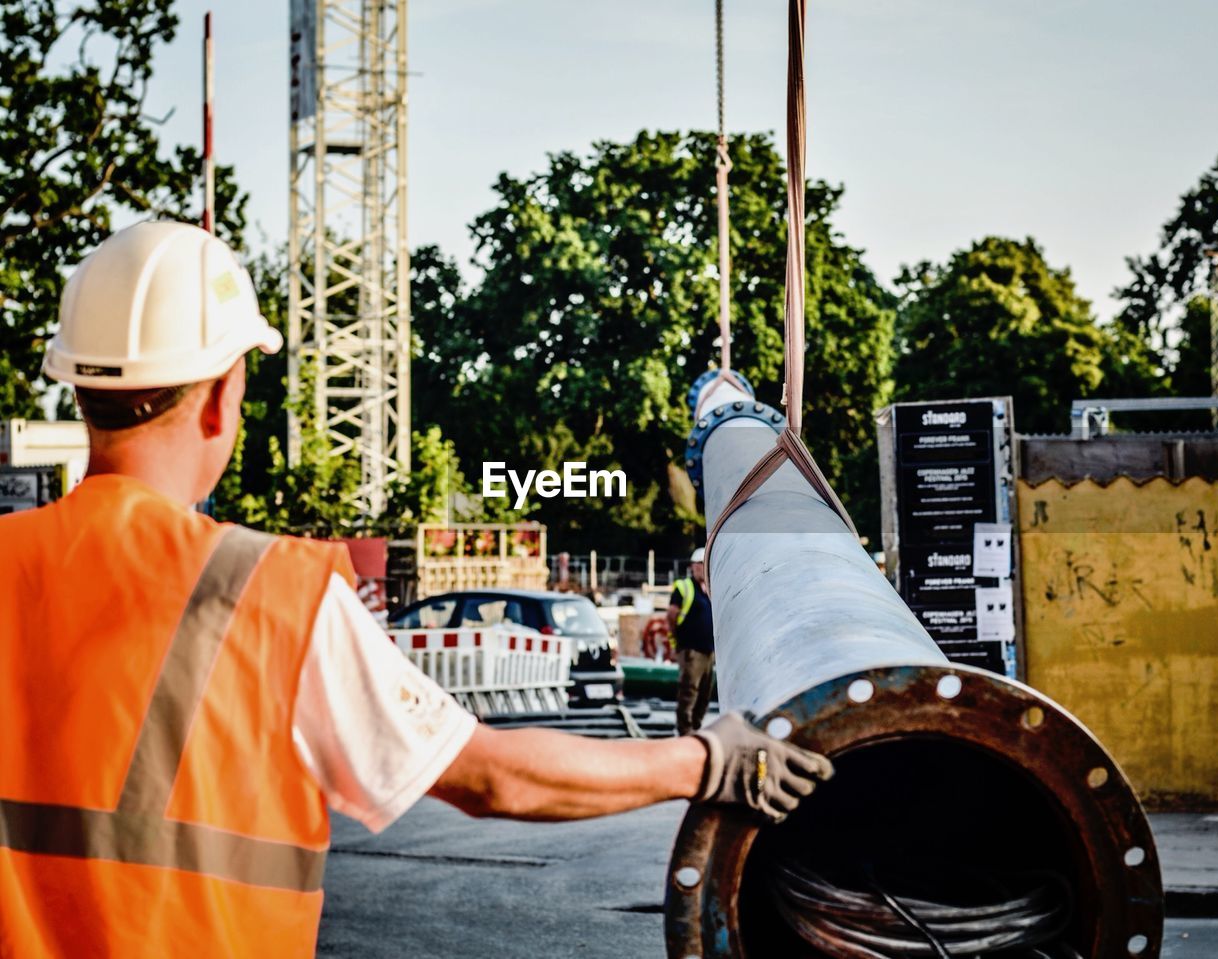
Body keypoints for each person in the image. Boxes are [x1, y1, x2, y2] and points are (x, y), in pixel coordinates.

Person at [0, 222, 834, 958]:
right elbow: (491, 776)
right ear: (223, 399)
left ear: (80, 390)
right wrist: (707, 758)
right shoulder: (264, 593)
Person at [667, 546, 716, 735]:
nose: (702, 568)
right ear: (692, 566)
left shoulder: (709, 590)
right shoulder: (684, 588)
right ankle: (685, 731)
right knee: (689, 691)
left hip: (708, 651)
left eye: (705, 564)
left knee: (705, 693)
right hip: (691, 650)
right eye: (699, 564)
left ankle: (695, 727)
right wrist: (675, 643)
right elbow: (671, 615)